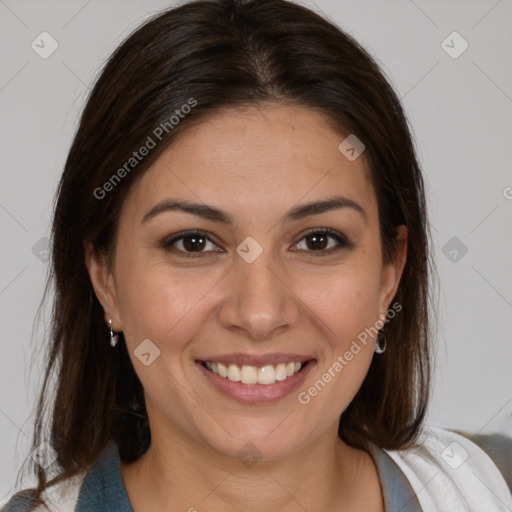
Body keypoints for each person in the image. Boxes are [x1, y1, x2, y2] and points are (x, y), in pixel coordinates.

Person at [2, 0, 511, 511]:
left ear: (389, 273)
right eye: (193, 242)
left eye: (317, 241)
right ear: (104, 276)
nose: (260, 313)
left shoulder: (489, 487)